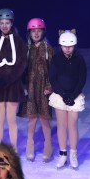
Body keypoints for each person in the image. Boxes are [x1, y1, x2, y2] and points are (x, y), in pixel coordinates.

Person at [0, 8, 27, 149]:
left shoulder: (18, 42)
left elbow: (22, 63)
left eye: (7, 23)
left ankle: (13, 149)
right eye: (2, 23)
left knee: (11, 119)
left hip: (13, 86)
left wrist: (9, 79)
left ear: (12, 24)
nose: (4, 26)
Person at [48, 29, 87, 169]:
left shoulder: (79, 59)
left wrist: (72, 95)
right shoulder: (56, 59)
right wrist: (63, 94)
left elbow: (82, 79)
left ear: (74, 45)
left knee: (72, 125)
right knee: (62, 125)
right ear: (61, 45)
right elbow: (53, 78)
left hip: (74, 96)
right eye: (65, 46)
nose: (67, 49)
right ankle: (63, 154)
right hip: (60, 96)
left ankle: (73, 154)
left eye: (70, 46)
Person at [17, 17, 54, 162]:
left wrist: (49, 86)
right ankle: (29, 145)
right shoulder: (26, 49)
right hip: (31, 89)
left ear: (43, 32)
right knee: (31, 118)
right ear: (29, 33)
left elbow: (53, 71)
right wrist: (23, 87)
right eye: (33, 31)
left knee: (44, 119)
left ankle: (48, 145)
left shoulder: (48, 49)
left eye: (39, 31)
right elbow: (22, 71)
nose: (36, 34)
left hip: (44, 89)